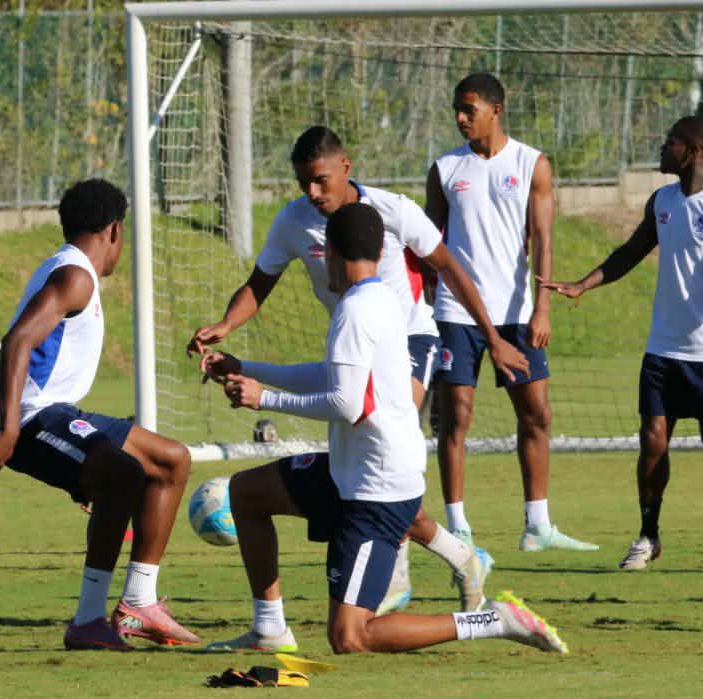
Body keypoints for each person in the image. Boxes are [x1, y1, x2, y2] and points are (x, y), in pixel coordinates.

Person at [188, 126, 530, 615]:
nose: (312, 192)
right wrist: (225, 323)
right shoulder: (293, 222)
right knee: (369, 460)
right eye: (304, 182)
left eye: (321, 180)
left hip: (410, 338)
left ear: (345, 167)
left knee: (385, 439)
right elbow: (258, 283)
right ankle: (459, 555)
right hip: (355, 345)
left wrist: (493, 339)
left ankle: (394, 567)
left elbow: (451, 268)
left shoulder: (392, 211)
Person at [201, 202, 567, 657]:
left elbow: (347, 404)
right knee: (248, 493)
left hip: (375, 489)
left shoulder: (355, 311)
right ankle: (269, 629)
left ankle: (492, 620)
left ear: (329, 252)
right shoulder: (379, 301)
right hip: (352, 472)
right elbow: (336, 377)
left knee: (351, 636)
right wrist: (245, 368)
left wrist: (265, 399)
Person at [0, 179, 200, 650]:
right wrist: (9, 430)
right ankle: (89, 620)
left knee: (172, 460)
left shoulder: (70, 270)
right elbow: (17, 342)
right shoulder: (75, 276)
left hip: (60, 415)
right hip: (34, 421)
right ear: (115, 230)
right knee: (123, 475)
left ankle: (139, 603)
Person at [425, 72, 597, 552]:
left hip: (518, 313)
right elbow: (429, 242)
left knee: (537, 413)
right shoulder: (444, 169)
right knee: (455, 417)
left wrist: (542, 307)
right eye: (457, 110)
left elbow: (543, 239)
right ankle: (457, 526)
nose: (461, 118)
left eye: (469, 109)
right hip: (456, 313)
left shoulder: (531, 164)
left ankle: (537, 525)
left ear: (495, 110)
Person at [539, 116, 703, 570]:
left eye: (669, 141)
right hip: (664, 350)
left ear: (690, 151)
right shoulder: (662, 201)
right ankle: (648, 536)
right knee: (652, 442)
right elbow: (630, 253)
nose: (661, 147)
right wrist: (582, 284)